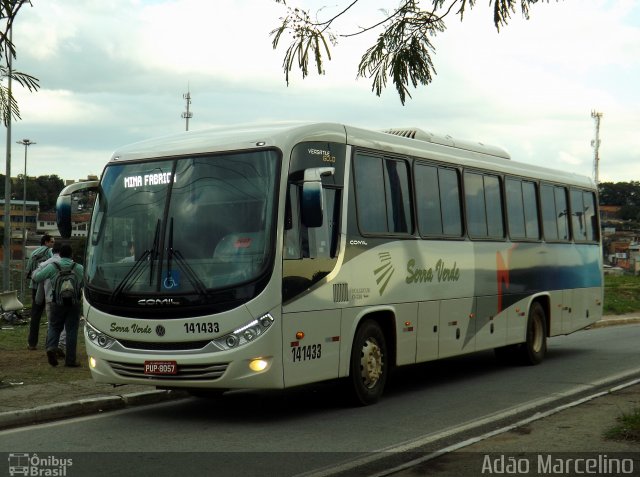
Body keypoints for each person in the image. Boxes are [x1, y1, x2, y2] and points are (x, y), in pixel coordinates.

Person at [32, 244, 84, 368]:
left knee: (54, 327)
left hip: (57, 302)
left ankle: (51, 348)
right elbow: (85, 281)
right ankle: (70, 360)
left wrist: (39, 267)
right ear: (72, 255)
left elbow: (36, 278)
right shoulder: (78, 267)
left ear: (59, 255)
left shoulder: (52, 266)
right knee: (71, 330)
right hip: (74, 303)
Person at [36, 242, 67, 358]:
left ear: (52, 251)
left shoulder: (45, 264)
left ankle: (51, 345)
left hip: (49, 298)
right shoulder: (68, 263)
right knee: (64, 324)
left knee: (52, 324)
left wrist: (39, 299)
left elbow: (39, 280)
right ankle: (61, 345)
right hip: (65, 298)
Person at [26, 234, 55, 350]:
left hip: (34, 286)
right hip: (46, 287)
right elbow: (53, 265)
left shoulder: (33, 253)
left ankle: (32, 343)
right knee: (51, 315)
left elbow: (28, 272)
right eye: (52, 241)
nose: (53, 244)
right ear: (46, 242)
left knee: (35, 315)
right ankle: (49, 342)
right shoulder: (49, 252)